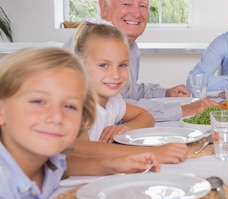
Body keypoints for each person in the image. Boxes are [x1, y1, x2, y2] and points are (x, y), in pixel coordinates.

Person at [0, 47, 151, 199]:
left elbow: (64, 166)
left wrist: (110, 165)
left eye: (70, 106)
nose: (56, 116)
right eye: (38, 101)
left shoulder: (48, 160)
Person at [66, 0, 217, 121]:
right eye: (127, 4)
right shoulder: (84, 44)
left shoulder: (131, 47)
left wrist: (165, 92)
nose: (137, 13)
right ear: (104, 8)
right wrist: (182, 110)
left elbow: (128, 92)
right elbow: (115, 104)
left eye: (143, 6)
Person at [68, 22, 188, 175]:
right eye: (104, 65)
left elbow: (146, 116)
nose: (116, 75)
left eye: (123, 65)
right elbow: (81, 148)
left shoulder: (114, 101)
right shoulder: (76, 104)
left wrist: (125, 128)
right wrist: (152, 153)